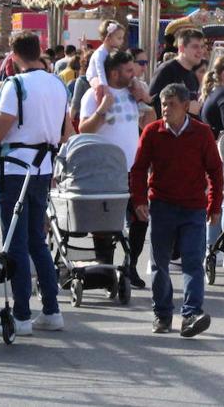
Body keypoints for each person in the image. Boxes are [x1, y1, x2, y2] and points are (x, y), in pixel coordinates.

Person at [0, 32, 73, 335]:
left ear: (13, 57)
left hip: (16, 168)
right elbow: (68, 133)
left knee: (16, 243)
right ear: (39, 52)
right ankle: (51, 310)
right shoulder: (58, 84)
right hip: (43, 168)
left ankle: (22, 315)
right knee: (37, 241)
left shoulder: (15, 85)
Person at [131, 83, 222, 337]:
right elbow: (138, 169)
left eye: (171, 104)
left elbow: (215, 171)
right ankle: (162, 314)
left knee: (193, 262)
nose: (166, 109)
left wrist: (214, 205)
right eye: (163, 104)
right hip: (162, 206)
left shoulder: (202, 133)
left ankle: (191, 314)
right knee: (160, 263)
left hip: (193, 208)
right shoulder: (152, 132)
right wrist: (139, 200)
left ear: (185, 106)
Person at [79, 50, 152, 288]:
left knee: (140, 218)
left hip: (133, 170)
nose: (134, 74)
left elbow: (149, 123)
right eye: (129, 70)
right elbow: (84, 130)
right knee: (105, 224)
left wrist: (145, 99)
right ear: (113, 73)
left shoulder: (133, 93)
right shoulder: (95, 94)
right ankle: (106, 271)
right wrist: (103, 108)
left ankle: (131, 265)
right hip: (105, 172)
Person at [149, 28, 206, 115]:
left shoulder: (192, 75)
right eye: (195, 47)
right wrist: (186, 107)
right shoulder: (167, 70)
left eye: (202, 47)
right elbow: (152, 104)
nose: (200, 51)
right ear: (182, 48)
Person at [85, 19, 127, 91]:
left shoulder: (115, 51)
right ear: (108, 38)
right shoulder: (100, 54)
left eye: (122, 38)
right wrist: (105, 88)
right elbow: (100, 72)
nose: (122, 41)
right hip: (94, 76)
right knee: (99, 87)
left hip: (107, 76)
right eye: (119, 38)